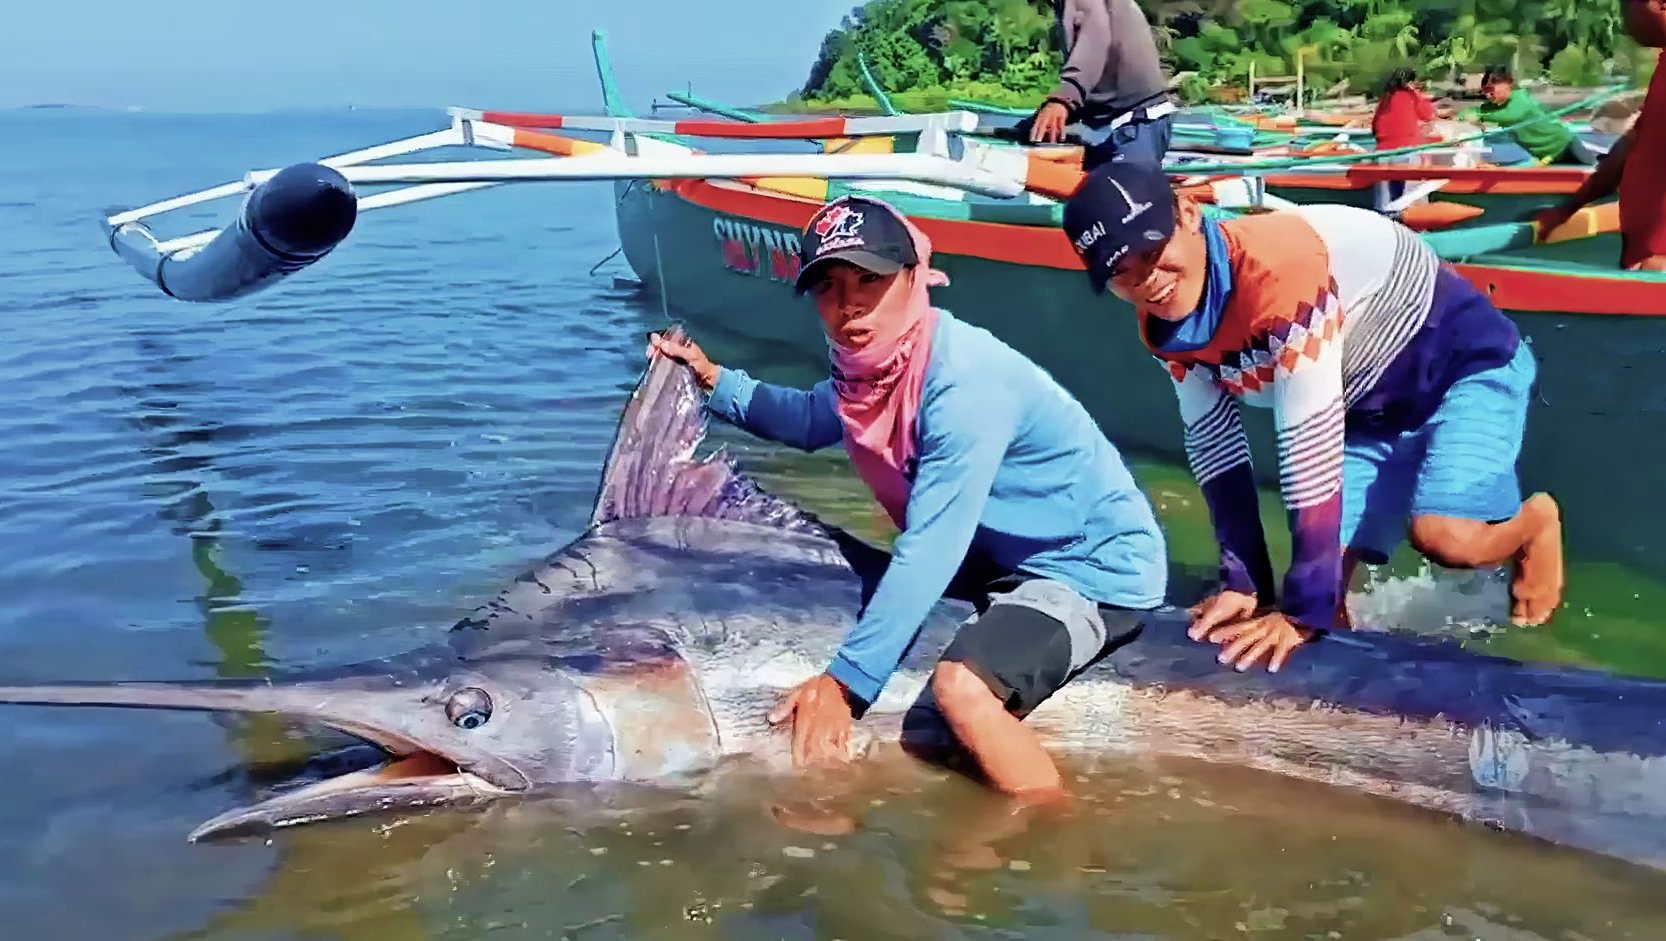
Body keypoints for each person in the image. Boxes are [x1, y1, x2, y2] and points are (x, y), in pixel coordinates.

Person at [646, 194, 1167, 800]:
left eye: (871, 278)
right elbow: (816, 419)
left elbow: (931, 543)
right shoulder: (867, 370)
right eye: (829, 287)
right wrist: (716, 381)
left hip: (1086, 570)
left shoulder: (962, 381)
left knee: (962, 690)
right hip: (996, 559)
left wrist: (847, 686)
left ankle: (1050, 834)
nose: (849, 304)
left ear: (915, 275)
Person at [1060, 159, 1565, 673]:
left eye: (1151, 251)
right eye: (1120, 272)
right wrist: (1244, 582)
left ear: (1189, 213)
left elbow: (1308, 439)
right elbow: (1215, 447)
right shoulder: (1165, 328)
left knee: (1444, 539)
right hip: (1366, 404)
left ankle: (1537, 522)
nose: (1148, 282)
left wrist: (1301, 612)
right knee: (1331, 585)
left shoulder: (1279, 268)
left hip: (1463, 370)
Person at [1536, 0, 1666, 270]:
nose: (1623, 19)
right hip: (1643, 259)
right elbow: (1632, 145)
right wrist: (1568, 208)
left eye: (1626, 6)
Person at [1026, 0, 1176, 168]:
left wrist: (1064, 99)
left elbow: (1096, 41)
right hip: (1124, 122)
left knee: (1122, 192)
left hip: (1137, 122)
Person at [1369, 67, 1455, 216]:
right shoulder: (1411, 95)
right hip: (1405, 150)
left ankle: (1383, 217)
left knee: (1383, 199)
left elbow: (1375, 126)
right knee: (1406, 195)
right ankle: (1408, 221)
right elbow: (1427, 114)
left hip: (1382, 151)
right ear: (1409, 82)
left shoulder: (1386, 98)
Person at [1458, 68, 1583, 165]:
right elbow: (1476, 110)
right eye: (1485, 91)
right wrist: (1460, 115)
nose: (1488, 95)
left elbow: (1510, 116)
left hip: (1564, 145)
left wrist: (1479, 117)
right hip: (1544, 154)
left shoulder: (1521, 98)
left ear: (1507, 85)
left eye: (1491, 89)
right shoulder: (1497, 105)